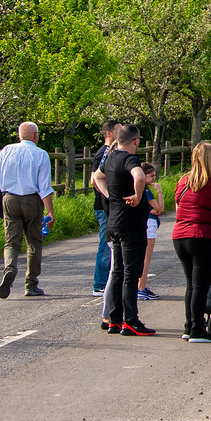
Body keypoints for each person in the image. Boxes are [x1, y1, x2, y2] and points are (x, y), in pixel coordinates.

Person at [172, 141, 211, 343]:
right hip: (204, 237)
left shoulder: (183, 182)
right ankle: (198, 329)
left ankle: (189, 325)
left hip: (180, 237)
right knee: (201, 286)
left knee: (191, 284)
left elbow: (177, 208)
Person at [99, 124, 155, 335]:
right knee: (132, 273)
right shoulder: (130, 159)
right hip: (131, 224)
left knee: (118, 272)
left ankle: (115, 319)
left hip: (114, 221)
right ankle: (131, 320)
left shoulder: (111, 157)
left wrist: (109, 195)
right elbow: (140, 177)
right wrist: (139, 196)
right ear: (135, 140)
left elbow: (97, 177)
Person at [0, 121, 54, 299]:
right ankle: (31, 283)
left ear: (19, 135)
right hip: (32, 200)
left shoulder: (6, 150)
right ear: (35, 135)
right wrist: (50, 212)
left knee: (11, 241)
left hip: (9, 198)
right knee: (34, 241)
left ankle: (10, 269)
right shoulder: (40, 154)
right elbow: (44, 187)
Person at [92, 119, 119, 296]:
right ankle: (100, 283)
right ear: (108, 133)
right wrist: (109, 196)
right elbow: (95, 178)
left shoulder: (112, 151)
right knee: (105, 243)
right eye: (118, 130)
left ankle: (106, 281)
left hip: (107, 204)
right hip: (104, 206)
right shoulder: (104, 153)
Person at [137, 162, 162, 301]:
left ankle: (139, 286)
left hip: (143, 223)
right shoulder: (146, 192)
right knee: (146, 259)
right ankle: (141, 287)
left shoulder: (139, 190)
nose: (153, 179)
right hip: (149, 225)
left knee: (141, 257)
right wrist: (159, 191)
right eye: (151, 176)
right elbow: (161, 208)